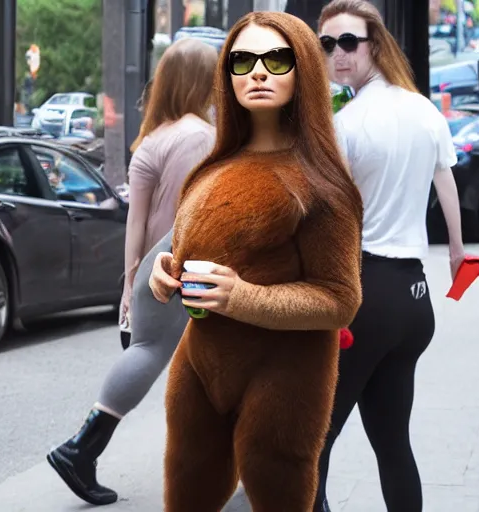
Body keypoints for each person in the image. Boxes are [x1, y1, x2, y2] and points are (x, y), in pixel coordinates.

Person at [148, 11, 363, 512]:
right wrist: (166, 272)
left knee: (278, 486)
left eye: (275, 58)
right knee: (185, 487)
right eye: (242, 60)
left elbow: (340, 300)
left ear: (303, 69)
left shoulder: (323, 184)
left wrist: (242, 297)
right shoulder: (212, 166)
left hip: (286, 374)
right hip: (198, 365)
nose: (258, 71)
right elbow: (189, 249)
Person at [46, 37, 218, 506]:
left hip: (150, 268)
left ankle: (84, 450)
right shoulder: (199, 136)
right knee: (165, 356)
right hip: (182, 265)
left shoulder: (151, 138)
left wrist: (130, 283)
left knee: (161, 355)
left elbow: (135, 222)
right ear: (200, 82)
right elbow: (197, 213)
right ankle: (79, 449)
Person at [313, 1, 467, 511]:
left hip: (365, 294)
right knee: (392, 443)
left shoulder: (348, 122)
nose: (338, 53)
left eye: (348, 42)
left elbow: (327, 214)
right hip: (413, 301)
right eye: (327, 44)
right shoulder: (424, 110)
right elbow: (446, 183)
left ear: (374, 44)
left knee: (309, 444)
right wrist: (458, 256)